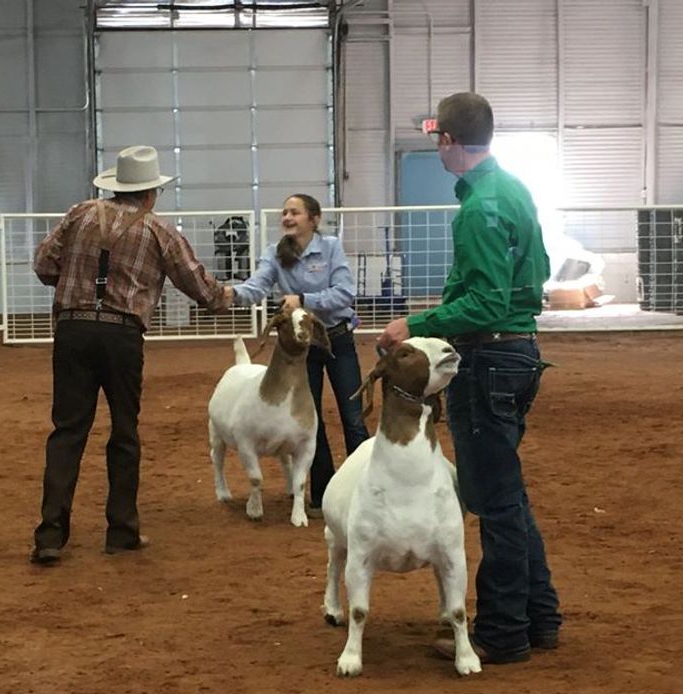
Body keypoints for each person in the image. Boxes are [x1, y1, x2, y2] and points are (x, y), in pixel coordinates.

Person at [378, 92, 562, 664]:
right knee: (508, 492)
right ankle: (539, 616)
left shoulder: (479, 208)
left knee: (494, 501)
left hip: (489, 359)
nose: (438, 149)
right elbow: (538, 271)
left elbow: (485, 303)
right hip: (519, 353)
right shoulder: (513, 191)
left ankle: (503, 631)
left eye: (438, 139)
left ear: (449, 140)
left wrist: (415, 324)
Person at [31, 145, 231, 566]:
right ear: (150, 193)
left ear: (116, 186)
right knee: (124, 430)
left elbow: (44, 264)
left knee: (67, 430)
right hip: (122, 335)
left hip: (72, 328)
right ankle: (121, 529)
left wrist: (76, 284)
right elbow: (197, 284)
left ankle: (50, 533)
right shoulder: (160, 231)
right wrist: (228, 297)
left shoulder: (80, 214)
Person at [229, 193, 369, 515]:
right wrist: (228, 293)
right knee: (311, 421)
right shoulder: (274, 254)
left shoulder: (331, 247)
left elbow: (345, 293)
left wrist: (304, 299)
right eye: (285, 212)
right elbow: (257, 286)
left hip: (338, 339)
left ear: (314, 219)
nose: (287, 218)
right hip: (302, 349)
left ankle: (364, 490)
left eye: (295, 212)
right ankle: (323, 496)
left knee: (354, 418)